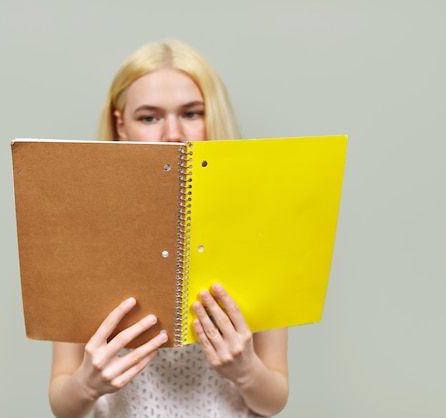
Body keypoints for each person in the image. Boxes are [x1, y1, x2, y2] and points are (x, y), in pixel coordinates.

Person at [48, 39, 289, 418]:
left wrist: (247, 372)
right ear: (121, 125)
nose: (173, 133)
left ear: (213, 117)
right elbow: (63, 403)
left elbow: (273, 399)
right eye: (149, 117)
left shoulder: (259, 226)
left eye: (192, 113)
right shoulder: (81, 229)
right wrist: (85, 385)